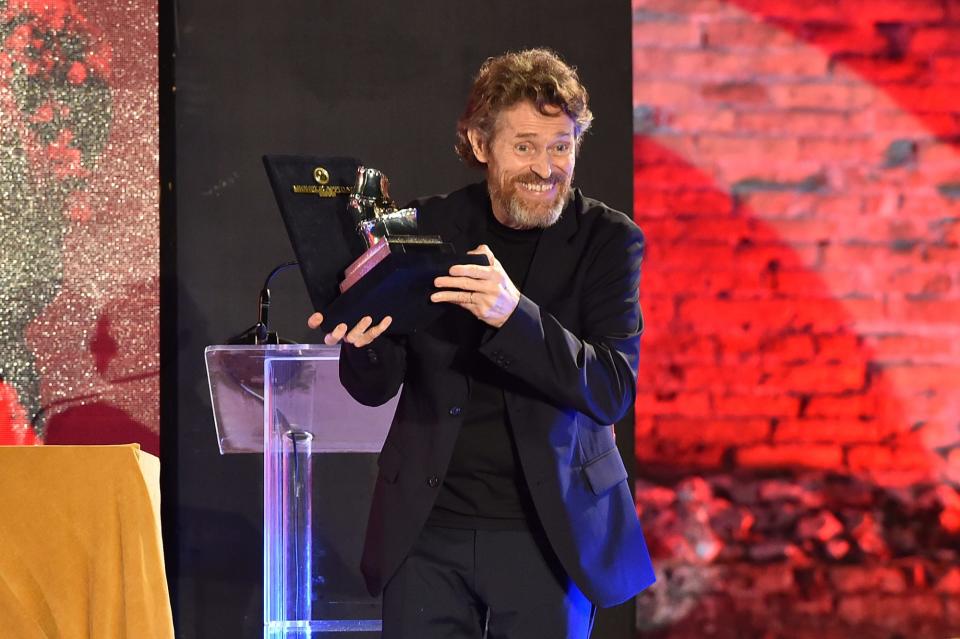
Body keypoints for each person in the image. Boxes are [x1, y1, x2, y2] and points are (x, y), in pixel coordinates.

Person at [308, 48, 654, 639]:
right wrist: (362, 342)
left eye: (561, 146)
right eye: (524, 146)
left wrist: (513, 314)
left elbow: (611, 390)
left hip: (550, 534)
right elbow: (374, 388)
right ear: (478, 143)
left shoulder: (608, 240)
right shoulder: (425, 227)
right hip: (426, 532)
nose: (545, 167)